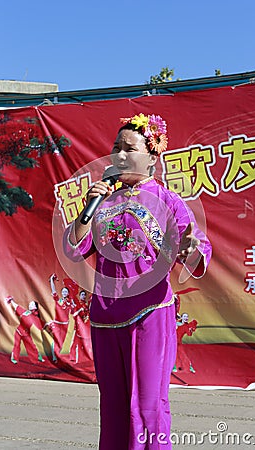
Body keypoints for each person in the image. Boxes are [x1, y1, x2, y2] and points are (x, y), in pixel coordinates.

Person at [63, 113, 212, 449]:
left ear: (152, 157)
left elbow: (196, 247)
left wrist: (189, 249)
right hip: (105, 315)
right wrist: (88, 207)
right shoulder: (104, 202)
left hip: (150, 314)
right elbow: (75, 250)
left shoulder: (169, 201)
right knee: (113, 407)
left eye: (128, 148)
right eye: (116, 147)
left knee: (146, 406)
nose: (118, 155)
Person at [5, 296, 45, 364]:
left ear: (35, 307)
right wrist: (11, 300)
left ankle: (37, 357)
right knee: (17, 345)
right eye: (29, 304)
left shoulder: (35, 316)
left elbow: (40, 326)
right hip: (18, 331)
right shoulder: (25, 312)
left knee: (31, 345)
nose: (30, 305)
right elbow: (17, 307)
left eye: (32, 305)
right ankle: (14, 358)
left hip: (26, 333)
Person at [47, 274, 77, 361]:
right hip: (57, 324)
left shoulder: (70, 302)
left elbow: (72, 311)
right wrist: (52, 280)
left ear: (68, 293)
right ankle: (54, 357)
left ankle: (56, 356)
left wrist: (73, 306)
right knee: (57, 340)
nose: (64, 293)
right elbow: (53, 290)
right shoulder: (58, 300)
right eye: (63, 291)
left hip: (65, 325)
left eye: (66, 291)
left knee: (61, 342)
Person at [69, 290, 93, 364]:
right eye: (82, 294)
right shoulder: (77, 305)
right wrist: (80, 310)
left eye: (84, 295)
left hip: (84, 328)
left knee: (82, 344)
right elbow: (74, 315)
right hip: (78, 328)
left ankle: (80, 359)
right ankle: (73, 358)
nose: (83, 296)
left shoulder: (86, 305)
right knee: (75, 343)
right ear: (79, 296)